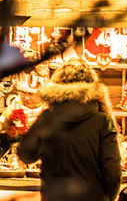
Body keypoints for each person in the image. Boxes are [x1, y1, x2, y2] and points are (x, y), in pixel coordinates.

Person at [17, 63, 121, 201]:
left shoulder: (48, 117)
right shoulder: (103, 121)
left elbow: (26, 154)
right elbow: (112, 170)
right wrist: (109, 196)